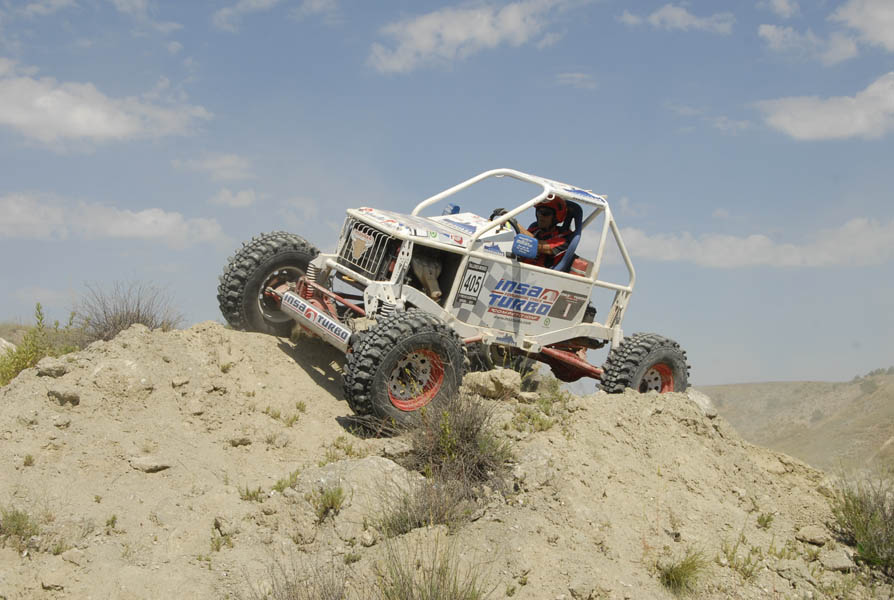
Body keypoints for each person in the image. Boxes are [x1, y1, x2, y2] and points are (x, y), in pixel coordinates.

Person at [515, 196, 572, 268]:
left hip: (540, 273)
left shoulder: (564, 238)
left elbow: (536, 245)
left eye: (546, 213)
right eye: (539, 212)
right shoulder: (534, 230)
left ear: (555, 217)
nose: (541, 216)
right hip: (520, 267)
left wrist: (514, 223)